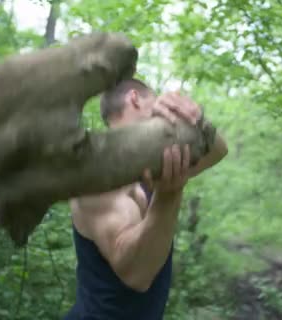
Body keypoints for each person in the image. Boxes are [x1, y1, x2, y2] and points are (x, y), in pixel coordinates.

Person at [63, 78, 228, 320]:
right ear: (134, 98)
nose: (164, 111)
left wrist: (194, 116)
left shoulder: (156, 160)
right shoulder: (99, 173)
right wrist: (168, 196)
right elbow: (137, 274)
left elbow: (218, 150)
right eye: (157, 100)